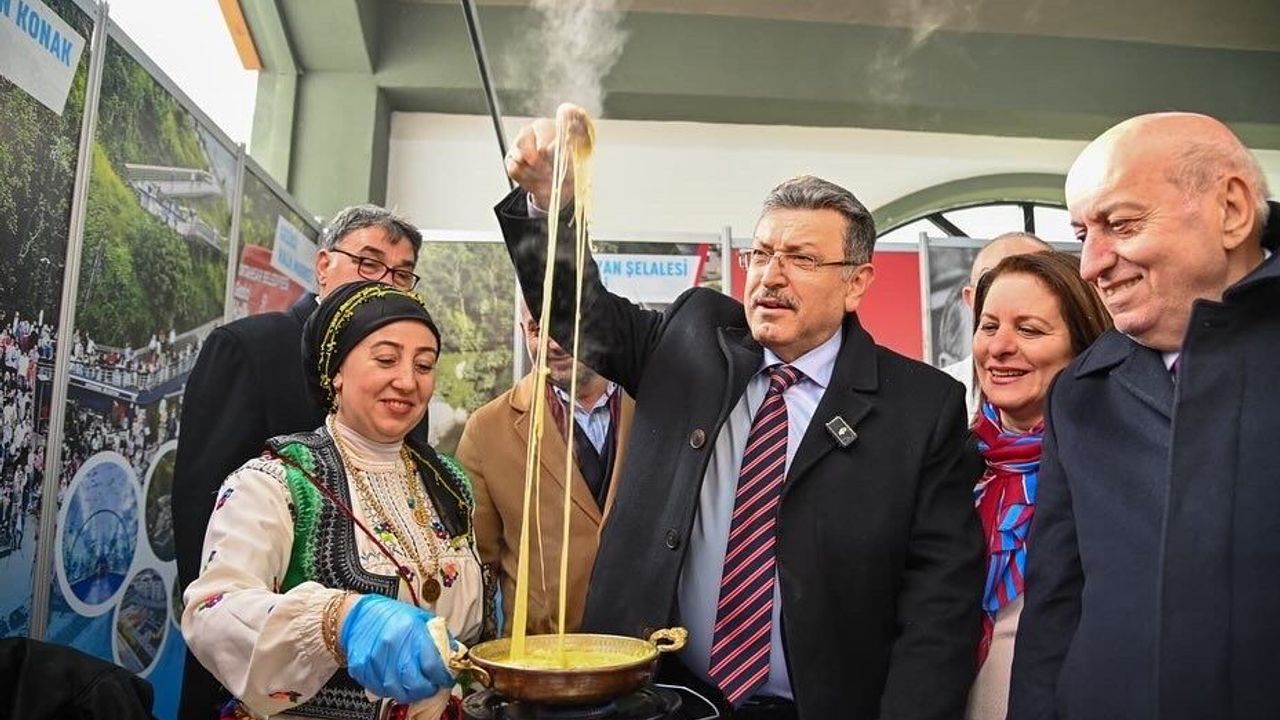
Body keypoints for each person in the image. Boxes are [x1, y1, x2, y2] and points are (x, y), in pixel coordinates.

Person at [496, 106, 984, 720]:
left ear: (857, 283)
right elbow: (578, 313)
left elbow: (938, 607)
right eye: (761, 253)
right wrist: (550, 205)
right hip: (661, 697)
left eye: (801, 259)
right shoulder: (693, 339)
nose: (770, 277)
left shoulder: (919, 408)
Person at [1008, 112, 1280, 720]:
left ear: (1231, 211)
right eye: (1082, 234)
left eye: (1122, 225)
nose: (1090, 265)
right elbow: (1055, 606)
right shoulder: (1080, 392)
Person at [182, 281, 485, 720]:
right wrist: (340, 620)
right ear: (336, 371)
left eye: (424, 365)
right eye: (386, 359)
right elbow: (212, 613)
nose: (407, 381)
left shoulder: (447, 481)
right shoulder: (276, 480)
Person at [174, 205, 424, 719]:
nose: (384, 282)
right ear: (323, 264)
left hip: (381, 678)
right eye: (369, 263)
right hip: (256, 662)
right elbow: (200, 507)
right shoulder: (249, 347)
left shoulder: (406, 381)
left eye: (402, 273)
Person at [964, 252, 1111, 720]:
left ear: (1082, 346)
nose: (999, 347)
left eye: (1029, 330)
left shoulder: (1111, 475)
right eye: (989, 326)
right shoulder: (946, 463)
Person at [457, 304, 634, 635]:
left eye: (567, 321)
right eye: (537, 329)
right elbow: (477, 568)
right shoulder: (487, 431)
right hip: (539, 657)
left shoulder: (659, 410)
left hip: (651, 650)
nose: (554, 343)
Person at [942, 232, 1053, 419]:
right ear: (971, 300)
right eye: (990, 283)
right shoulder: (936, 397)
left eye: (1028, 330)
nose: (999, 347)